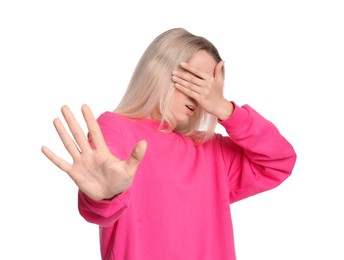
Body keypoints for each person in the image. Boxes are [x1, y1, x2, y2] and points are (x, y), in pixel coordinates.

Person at [41, 28, 297, 260]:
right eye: (195, 80)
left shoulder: (211, 149)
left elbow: (279, 161)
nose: (202, 94)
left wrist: (226, 109)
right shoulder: (116, 127)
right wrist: (106, 194)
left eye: (210, 87)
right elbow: (102, 208)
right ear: (158, 70)